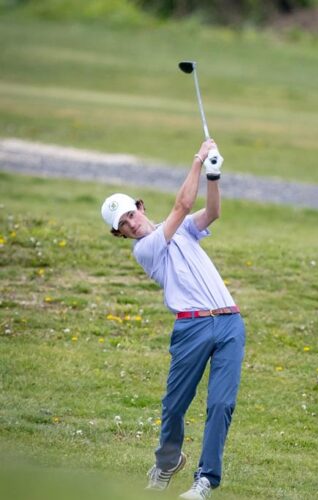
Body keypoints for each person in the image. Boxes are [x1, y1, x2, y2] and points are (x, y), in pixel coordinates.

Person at [100, 139, 245, 500]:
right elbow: (182, 204)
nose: (131, 224)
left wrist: (213, 174)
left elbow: (210, 213)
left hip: (229, 322)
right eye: (123, 225)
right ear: (120, 235)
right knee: (175, 404)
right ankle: (167, 462)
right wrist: (197, 159)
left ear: (140, 207)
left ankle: (205, 481)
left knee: (221, 404)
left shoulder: (180, 229)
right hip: (191, 327)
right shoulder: (145, 249)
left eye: (131, 214)